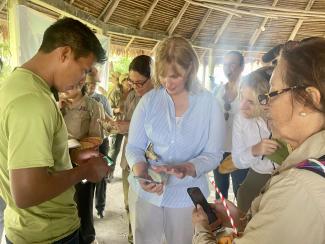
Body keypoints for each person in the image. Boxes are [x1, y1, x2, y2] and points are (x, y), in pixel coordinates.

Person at [192, 37, 325, 244]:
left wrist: (201, 230)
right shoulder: (313, 163)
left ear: (308, 100)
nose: (267, 104)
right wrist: (245, 221)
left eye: (273, 93)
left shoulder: (298, 187)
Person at [0, 18, 111, 243]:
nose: (83, 80)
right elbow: (27, 192)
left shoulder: (15, 85)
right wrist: (84, 172)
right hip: (48, 233)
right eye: (84, 70)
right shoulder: (33, 101)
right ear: (65, 54)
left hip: (26, 228)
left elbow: (23, 160)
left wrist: (70, 156)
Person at [126, 36, 225, 244]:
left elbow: (213, 154)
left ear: (189, 69)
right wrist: (141, 172)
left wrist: (188, 167)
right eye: (161, 75)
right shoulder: (149, 101)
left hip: (186, 196)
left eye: (175, 76)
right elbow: (134, 146)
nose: (167, 83)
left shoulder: (209, 104)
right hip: (146, 193)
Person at [113, 55, 154, 243]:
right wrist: (115, 125)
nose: (135, 87)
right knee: (129, 205)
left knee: (148, 209)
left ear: (152, 76)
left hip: (151, 164)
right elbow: (127, 122)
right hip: (128, 160)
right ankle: (132, 239)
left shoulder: (161, 99)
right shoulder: (131, 95)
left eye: (140, 83)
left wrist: (127, 126)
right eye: (132, 82)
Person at [60, 81, 105, 244]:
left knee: (83, 204)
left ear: (81, 83)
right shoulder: (56, 103)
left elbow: (96, 139)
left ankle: (87, 237)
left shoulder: (93, 106)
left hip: (82, 163)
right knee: (64, 204)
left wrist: (74, 147)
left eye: (72, 83)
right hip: (58, 163)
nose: (67, 86)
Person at [232, 66, 279, 213]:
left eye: (250, 102)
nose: (242, 106)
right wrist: (255, 150)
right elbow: (237, 160)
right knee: (244, 195)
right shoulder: (241, 119)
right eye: (241, 98)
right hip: (258, 172)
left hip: (287, 173)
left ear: (266, 100)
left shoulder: (280, 113)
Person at [213, 51, 249, 200]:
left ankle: (242, 222)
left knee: (240, 190)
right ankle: (219, 222)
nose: (228, 68)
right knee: (220, 191)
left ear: (241, 67)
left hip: (240, 150)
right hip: (219, 149)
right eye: (225, 64)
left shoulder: (248, 92)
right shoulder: (217, 91)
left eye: (232, 64)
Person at [107, 73, 131, 176]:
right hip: (116, 126)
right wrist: (117, 110)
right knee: (113, 150)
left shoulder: (134, 93)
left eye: (130, 80)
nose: (129, 82)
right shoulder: (115, 93)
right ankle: (108, 171)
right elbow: (107, 110)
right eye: (127, 80)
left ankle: (128, 172)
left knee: (129, 150)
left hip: (129, 126)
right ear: (122, 81)